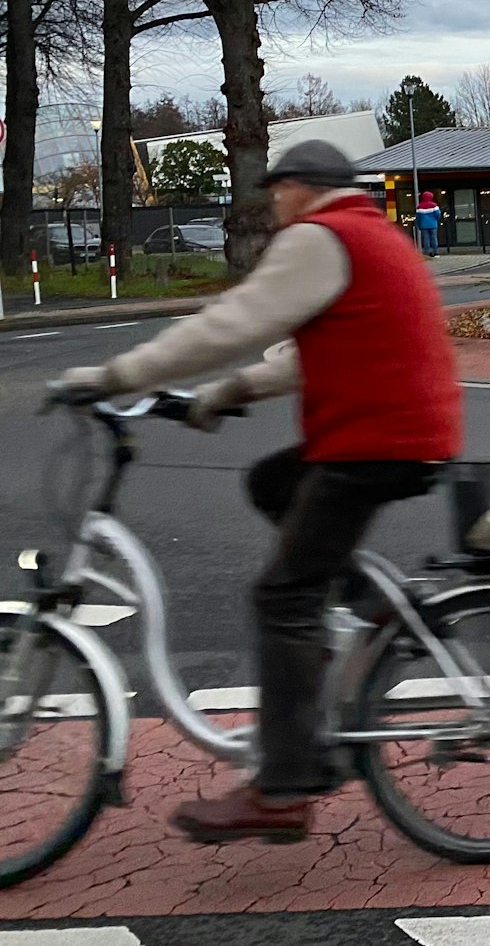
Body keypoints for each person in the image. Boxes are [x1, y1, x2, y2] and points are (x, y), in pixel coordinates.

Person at [54, 139, 462, 844]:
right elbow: (312, 347)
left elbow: (233, 323)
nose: (274, 204)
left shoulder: (320, 237)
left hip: (375, 441)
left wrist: (116, 377)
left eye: (279, 192)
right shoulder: (370, 236)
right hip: (400, 432)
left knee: (281, 596)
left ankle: (283, 786)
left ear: (303, 188)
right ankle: (376, 604)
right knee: (271, 480)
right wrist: (229, 392)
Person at [414, 191, 442, 257]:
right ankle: (435, 252)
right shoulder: (434, 205)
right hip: (433, 224)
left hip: (423, 225)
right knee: (434, 238)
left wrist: (418, 225)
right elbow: (438, 214)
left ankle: (426, 252)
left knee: (426, 239)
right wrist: (435, 220)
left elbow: (418, 217)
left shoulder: (419, 206)